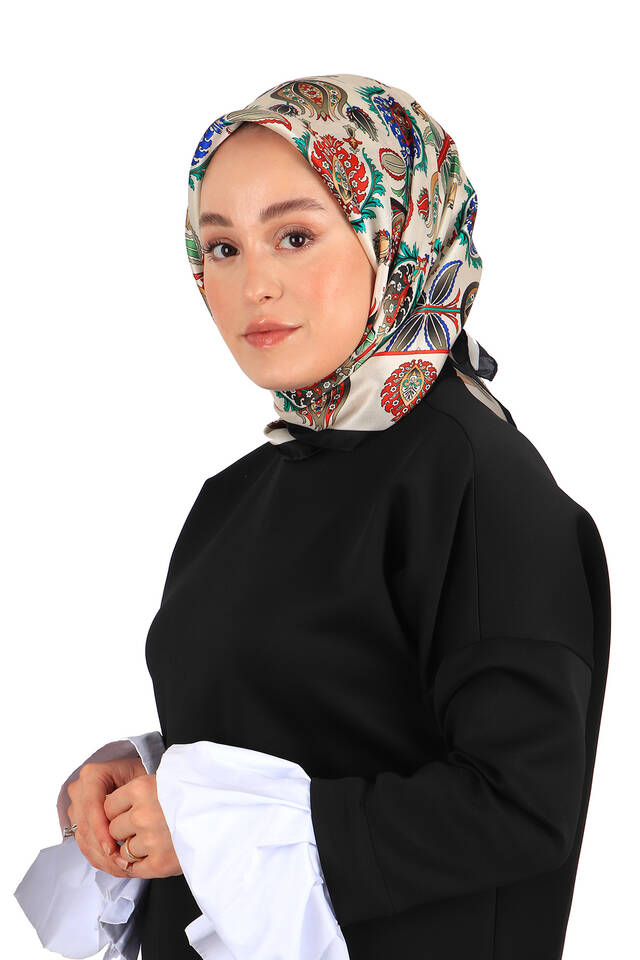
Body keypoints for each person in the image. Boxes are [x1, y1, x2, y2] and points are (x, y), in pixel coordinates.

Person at [14, 73, 611, 960]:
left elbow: (521, 805)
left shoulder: (477, 482)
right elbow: (310, 730)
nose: (253, 284)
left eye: (294, 236)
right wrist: (149, 780)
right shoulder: (238, 495)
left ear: (396, 231)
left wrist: (207, 828)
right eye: (222, 248)